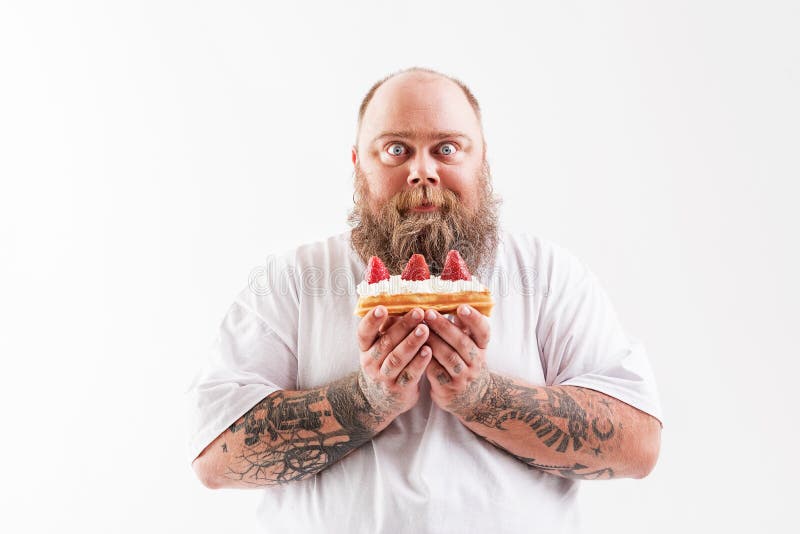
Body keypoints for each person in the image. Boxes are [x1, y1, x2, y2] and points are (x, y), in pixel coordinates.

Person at [188, 67, 663, 533]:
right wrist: (366, 400)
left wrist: (482, 397)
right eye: (396, 150)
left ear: (483, 162)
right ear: (359, 164)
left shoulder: (547, 274)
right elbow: (215, 457)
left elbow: (638, 445)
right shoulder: (294, 279)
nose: (422, 171)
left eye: (447, 148)